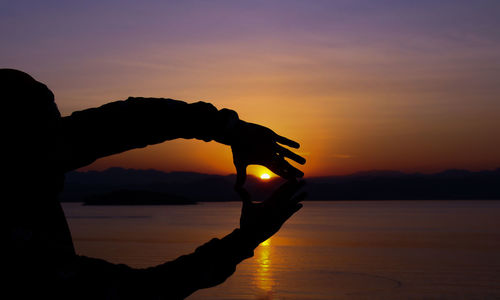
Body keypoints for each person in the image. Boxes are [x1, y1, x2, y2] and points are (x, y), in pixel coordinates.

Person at [3, 68, 306, 299]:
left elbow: (132, 119)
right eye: (53, 131)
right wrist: (246, 239)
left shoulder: (30, 160)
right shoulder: (24, 256)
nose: (66, 141)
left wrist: (229, 128)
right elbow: (144, 292)